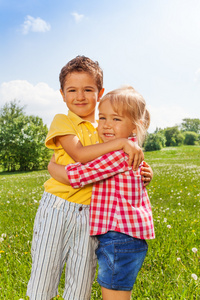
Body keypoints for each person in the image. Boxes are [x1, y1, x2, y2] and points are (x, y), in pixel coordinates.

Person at [27, 56, 152, 300]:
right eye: (72, 90)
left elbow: (121, 164)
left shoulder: (104, 125)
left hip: (92, 214)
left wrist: (145, 171)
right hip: (58, 206)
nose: (80, 96)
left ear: (100, 93)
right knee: (45, 269)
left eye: (88, 90)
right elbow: (80, 155)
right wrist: (121, 143)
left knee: (81, 278)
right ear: (62, 94)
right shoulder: (63, 121)